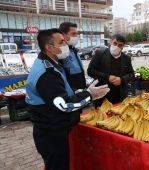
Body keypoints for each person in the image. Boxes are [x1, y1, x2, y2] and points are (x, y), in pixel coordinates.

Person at [25, 29, 110, 170]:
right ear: (49, 47)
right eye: (61, 42)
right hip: (51, 133)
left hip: (54, 128)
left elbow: (62, 91)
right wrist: (89, 95)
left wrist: (83, 92)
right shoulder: (46, 73)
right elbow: (64, 104)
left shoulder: (52, 63)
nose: (66, 44)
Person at [87, 34, 134, 107]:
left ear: (123, 47)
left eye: (120, 45)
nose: (117, 46)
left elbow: (131, 74)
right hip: (102, 95)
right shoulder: (100, 54)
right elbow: (90, 71)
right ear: (111, 42)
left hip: (119, 95)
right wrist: (107, 77)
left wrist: (122, 80)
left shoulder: (126, 58)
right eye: (115, 43)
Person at [59, 22, 86, 90]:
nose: (76, 36)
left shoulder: (73, 49)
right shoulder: (60, 52)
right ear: (63, 34)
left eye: (76, 33)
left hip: (80, 89)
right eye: (73, 34)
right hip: (71, 91)